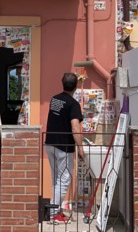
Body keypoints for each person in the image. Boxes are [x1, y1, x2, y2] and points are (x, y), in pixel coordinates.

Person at [45, 72, 84, 224]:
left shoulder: (55, 99)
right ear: (75, 86)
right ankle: (53, 214)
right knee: (64, 179)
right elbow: (75, 127)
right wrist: (80, 148)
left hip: (50, 143)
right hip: (63, 146)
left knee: (56, 179)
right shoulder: (73, 104)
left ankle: (56, 210)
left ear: (63, 84)